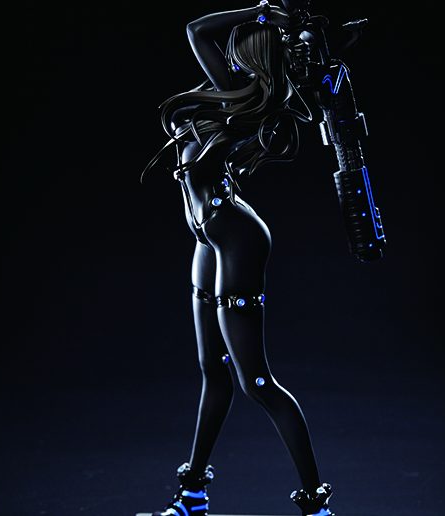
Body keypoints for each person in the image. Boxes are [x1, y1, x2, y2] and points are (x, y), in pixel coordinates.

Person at [142, 2, 336, 515]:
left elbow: (197, 30)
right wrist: (263, 14)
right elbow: (197, 30)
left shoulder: (252, 101)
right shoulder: (231, 93)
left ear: (251, 58)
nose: (226, 54)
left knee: (257, 382)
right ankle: (192, 497)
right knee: (213, 370)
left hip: (236, 238)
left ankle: (316, 507)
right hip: (208, 239)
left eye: (237, 49)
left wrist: (263, 15)